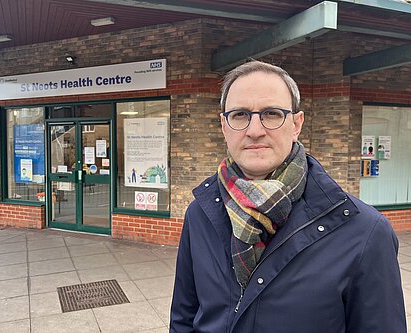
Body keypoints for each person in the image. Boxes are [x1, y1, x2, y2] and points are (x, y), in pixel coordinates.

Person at [170, 60, 406, 332]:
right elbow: (183, 319)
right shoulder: (200, 214)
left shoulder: (364, 231)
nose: (255, 130)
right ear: (224, 126)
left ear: (296, 124)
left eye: (271, 114)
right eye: (239, 115)